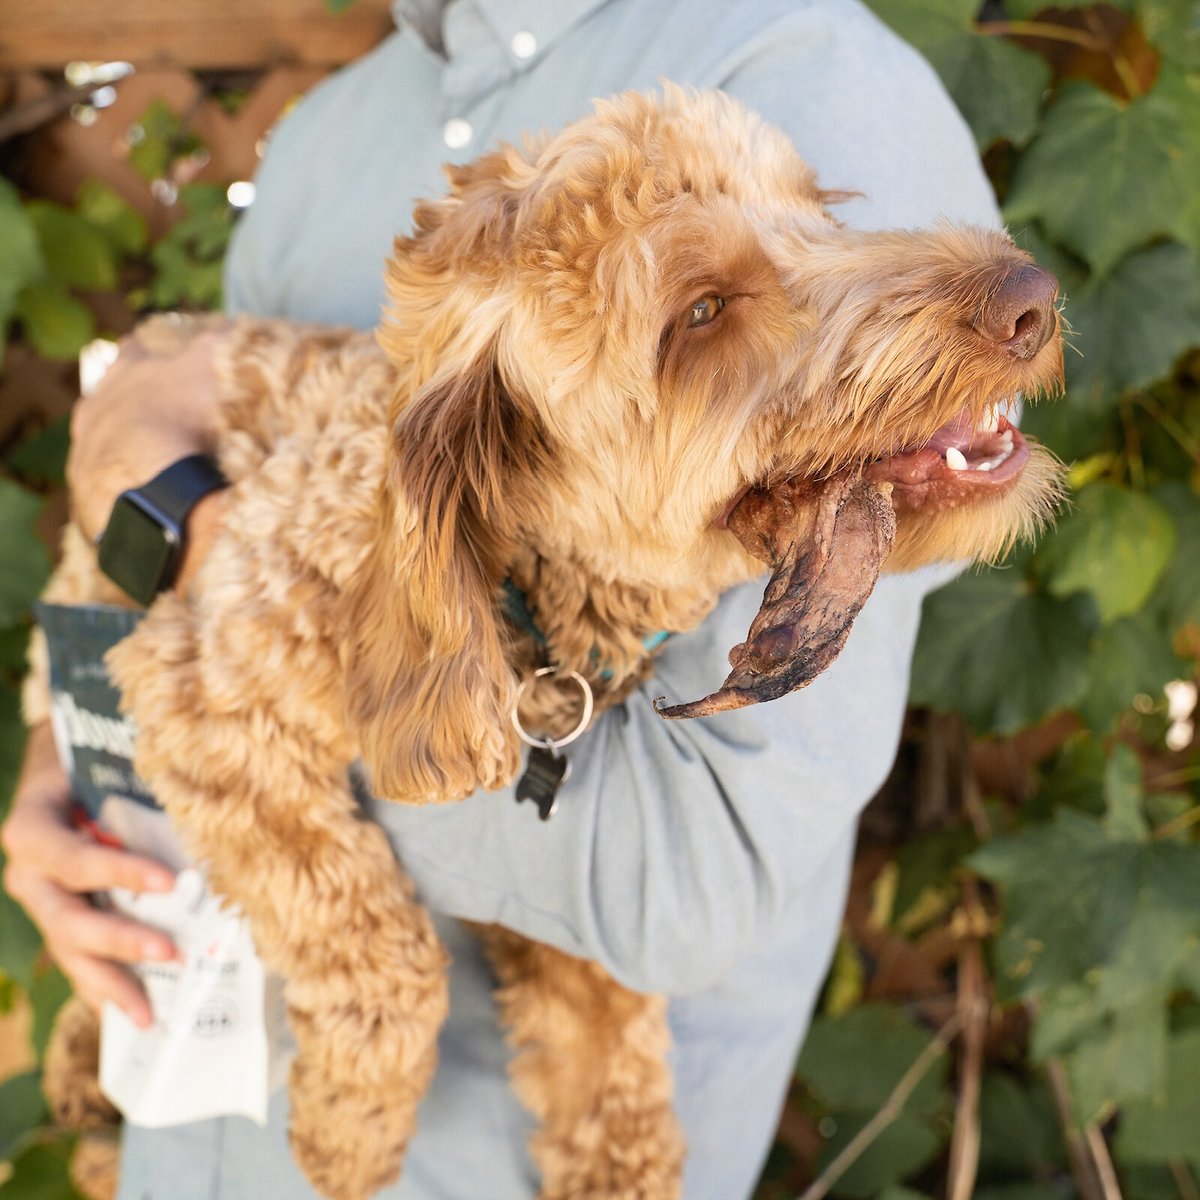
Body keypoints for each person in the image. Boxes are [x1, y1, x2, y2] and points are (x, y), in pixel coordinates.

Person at [2, 1, 1003, 1197]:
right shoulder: (327, 133)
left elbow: (684, 888)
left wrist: (170, 509)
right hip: (195, 1114)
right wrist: (67, 752)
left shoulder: (801, 75)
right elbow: (164, 632)